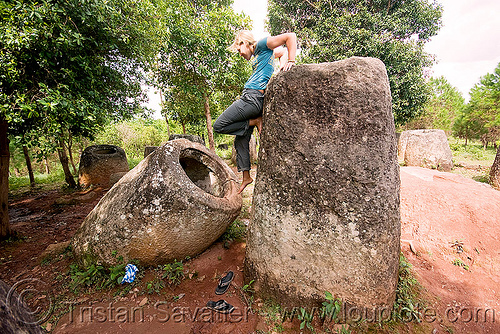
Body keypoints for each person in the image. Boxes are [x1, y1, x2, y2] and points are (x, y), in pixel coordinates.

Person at [213, 30, 297, 194]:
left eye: (238, 49)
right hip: (252, 98)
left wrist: (291, 62)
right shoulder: (263, 55)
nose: (239, 54)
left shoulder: (261, 44)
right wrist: (281, 66)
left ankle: (255, 121)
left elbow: (290, 37)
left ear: (244, 42)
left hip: (251, 99)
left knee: (219, 125)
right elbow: (282, 52)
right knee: (240, 140)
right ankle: (246, 177)